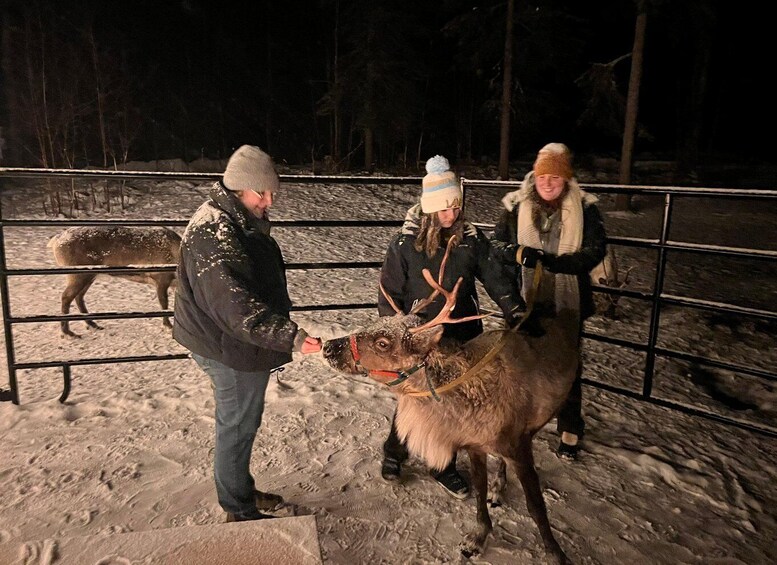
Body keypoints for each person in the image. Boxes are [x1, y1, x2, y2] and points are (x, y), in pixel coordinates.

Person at [173, 144, 322, 522]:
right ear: (239, 187)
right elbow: (234, 306)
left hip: (230, 340)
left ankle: (240, 492)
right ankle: (238, 511)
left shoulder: (230, 217)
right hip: (229, 346)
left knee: (239, 423)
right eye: (262, 192)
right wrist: (289, 336)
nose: (269, 200)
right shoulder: (216, 234)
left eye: (273, 192)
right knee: (237, 425)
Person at [378, 155, 526, 498]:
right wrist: (398, 335)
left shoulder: (470, 239)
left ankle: (438, 463)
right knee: (416, 398)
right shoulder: (404, 245)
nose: (452, 214)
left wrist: (515, 310)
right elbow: (389, 293)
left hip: (460, 331)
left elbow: (493, 277)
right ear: (429, 209)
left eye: (456, 206)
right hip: (420, 335)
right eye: (444, 209)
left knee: (451, 402)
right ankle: (399, 452)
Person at [491, 142, 607, 460]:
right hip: (526, 300)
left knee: (566, 364)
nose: (548, 182)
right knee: (518, 364)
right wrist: (518, 253)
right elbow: (496, 245)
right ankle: (518, 420)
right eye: (543, 176)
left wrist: (561, 263)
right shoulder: (516, 206)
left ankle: (570, 426)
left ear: (566, 178)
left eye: (555, 177)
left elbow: (596, 250)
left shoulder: (584, 209)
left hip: (566, 303)